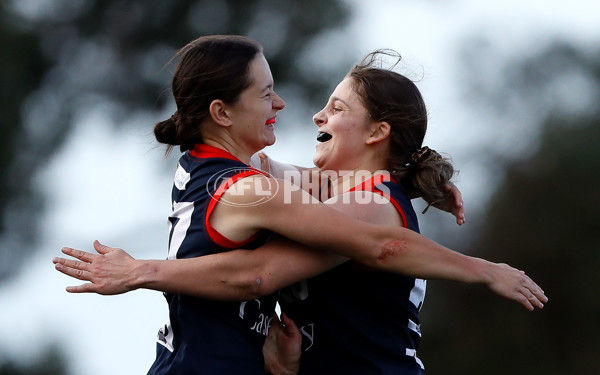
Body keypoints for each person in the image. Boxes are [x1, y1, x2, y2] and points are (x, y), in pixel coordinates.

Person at [54, 36, 547, 375]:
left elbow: (363, 247)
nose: (303, 110)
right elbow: (298, 186)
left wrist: (482, 265)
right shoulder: (266, 188)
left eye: (336, 108)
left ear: (378, 132)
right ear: (221, 113)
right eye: (267, 93)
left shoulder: (216, 170)